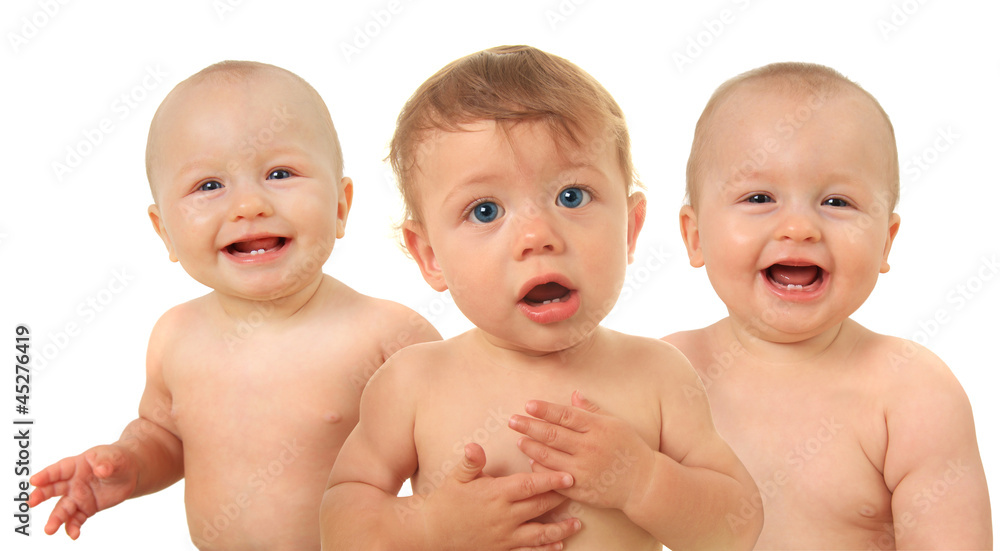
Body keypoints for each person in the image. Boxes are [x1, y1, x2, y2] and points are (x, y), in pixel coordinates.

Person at [322, 45, 762, 551]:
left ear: (630, 229)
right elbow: (340, 524)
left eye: (571, 196)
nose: (538, 236)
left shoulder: (659, 375)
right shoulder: (412, 383)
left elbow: (737, 526)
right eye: (485, 210)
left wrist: (644, 481)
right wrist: (427, 525)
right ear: (430, 256)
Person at [29, 60, 440, 550]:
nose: (249, 205)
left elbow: (449, 457)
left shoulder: (389, 337)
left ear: (339, 207)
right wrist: (128, 465)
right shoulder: (175, 335)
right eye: (209, 186)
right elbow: (166, 436)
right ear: (166, 233)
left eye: (280, 173)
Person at [664, 62, 991, 549]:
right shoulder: (665, 375)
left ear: (886, 242)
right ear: (695, 237)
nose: (799, 227)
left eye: (837, 203)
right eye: (759, 197)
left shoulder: (912, 394)